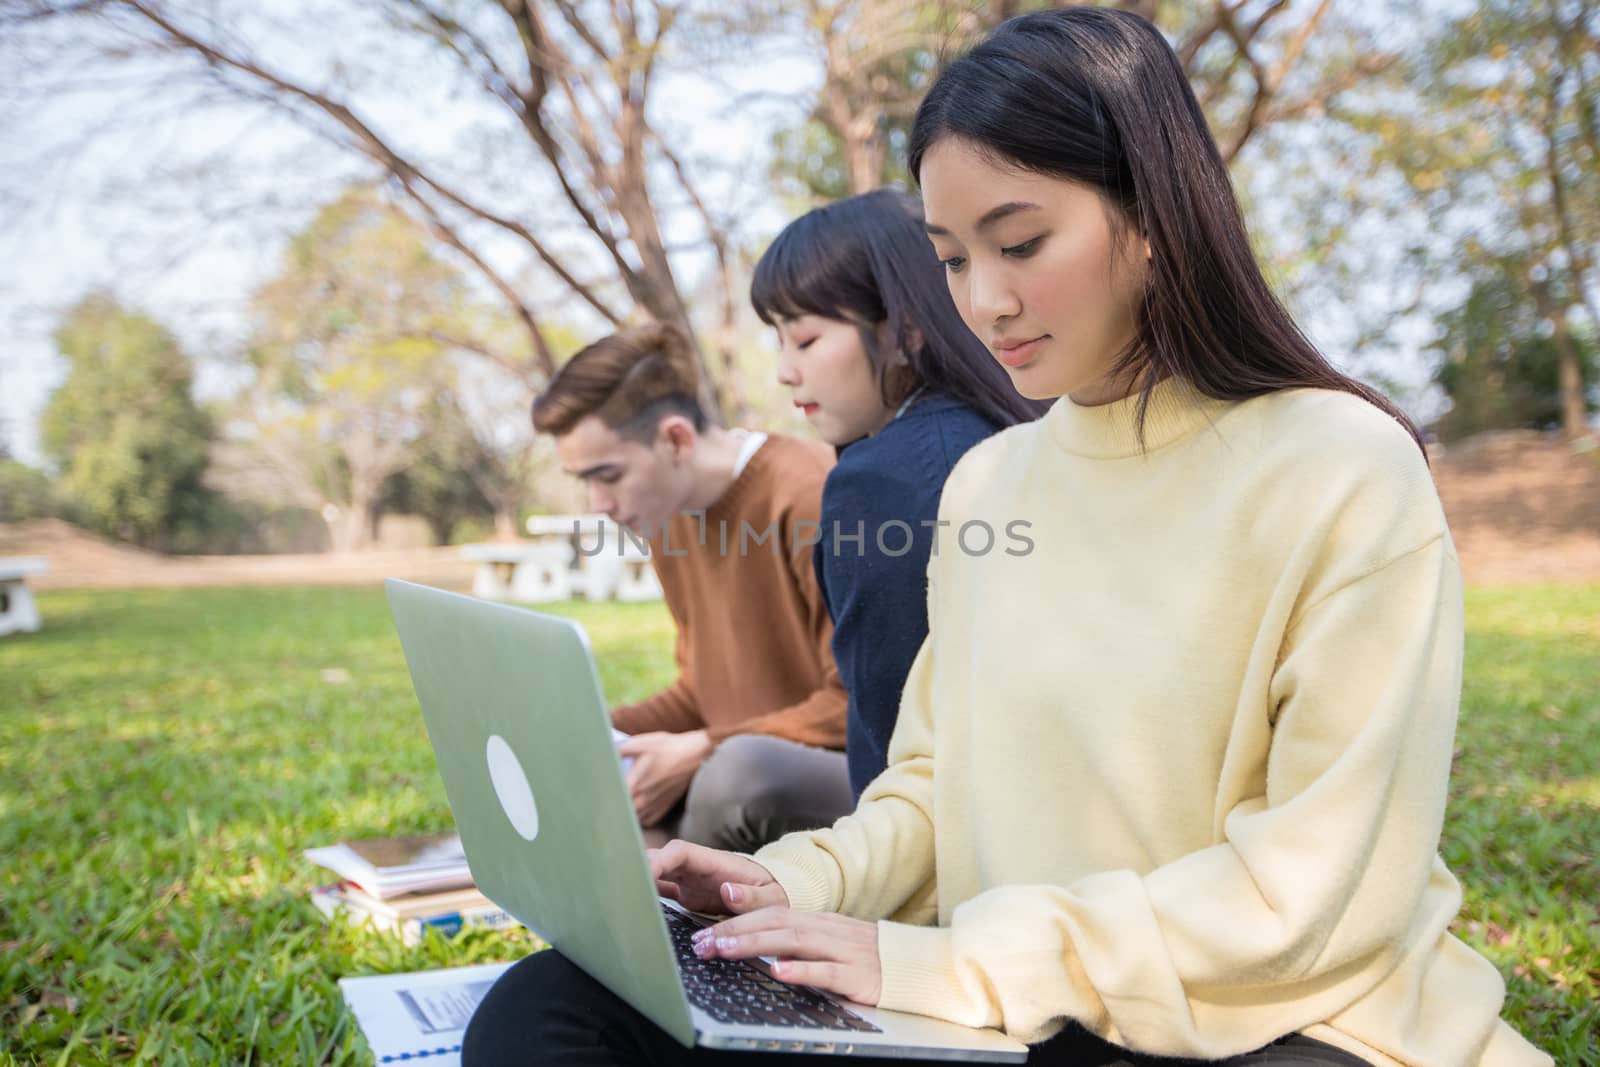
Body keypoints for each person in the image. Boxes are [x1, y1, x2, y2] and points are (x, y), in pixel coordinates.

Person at [466, 9, 1551, 1066]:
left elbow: (1308, 895)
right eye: (948, 258)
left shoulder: (1337, 464)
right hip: (1000, 997)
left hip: (1270, 1017)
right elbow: (934, 784)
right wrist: (797, 883)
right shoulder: (989, 481)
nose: (983, 301)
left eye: (1020, 242)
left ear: (1155, 218)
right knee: (553, 1007)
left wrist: (962, 962)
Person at [751, 188, 1042, 798]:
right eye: (778, 341)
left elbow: (895, 748)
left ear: (904, 328)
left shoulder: (880, 484)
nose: (784, 370)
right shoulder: (1017, 429)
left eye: (804, 340)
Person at [530, 321, 851, 853]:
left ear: (676, 439)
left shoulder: (806, 496)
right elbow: (703, 692)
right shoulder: (666, 515)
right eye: (584, 481)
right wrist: (592, 731)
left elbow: (856, 707)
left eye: (608, 476)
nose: (597, 504)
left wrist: (702, 749)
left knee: (733, 778)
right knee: (611, 781)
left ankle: (685, 906)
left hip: (841, 783)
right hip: (737, 772)